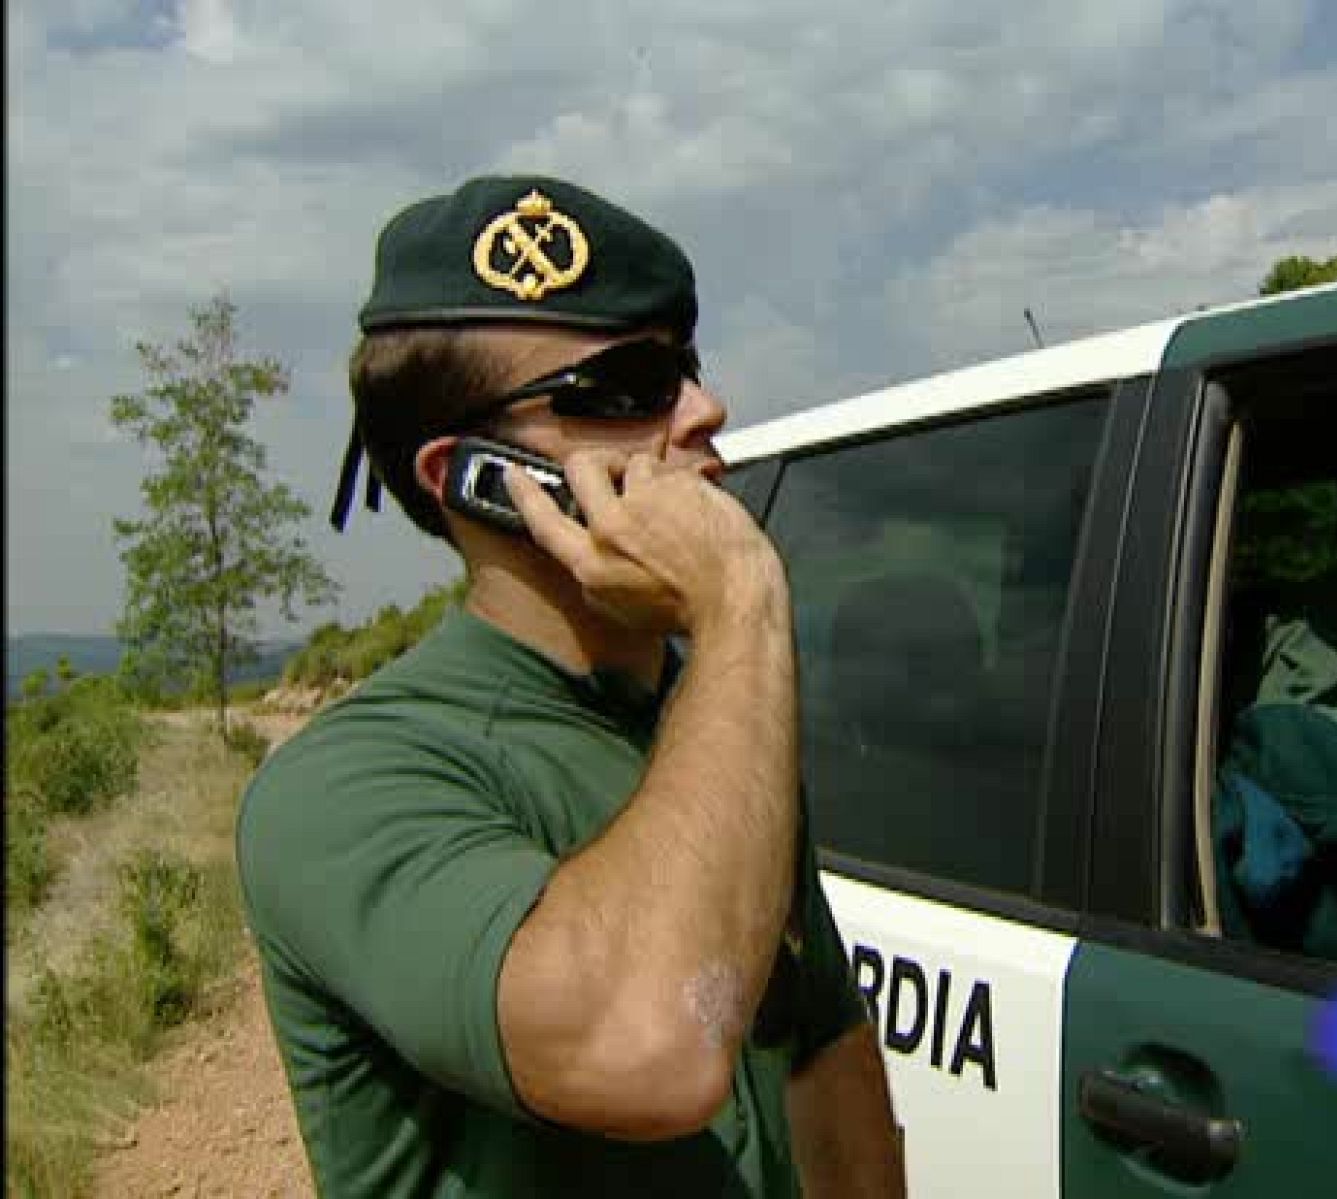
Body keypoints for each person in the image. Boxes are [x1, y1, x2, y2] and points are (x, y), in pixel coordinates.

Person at [236, 175, 905, 1197]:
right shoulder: (343, 784)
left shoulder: (713, 707)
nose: (704, 408)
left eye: (683, 365)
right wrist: (743, 604)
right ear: (473, 475)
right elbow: (649, 1044)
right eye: (630, 387)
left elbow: (819, 1040)